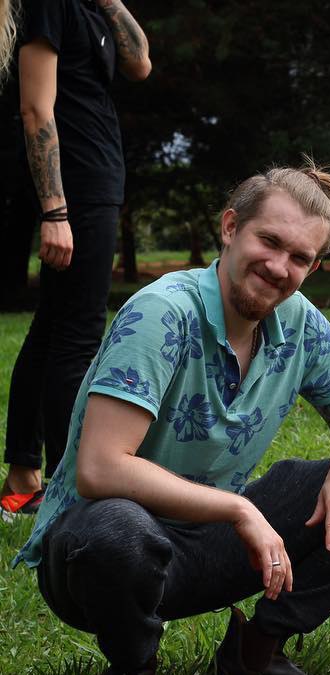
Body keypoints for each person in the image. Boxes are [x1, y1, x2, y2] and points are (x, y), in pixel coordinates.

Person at [12, 163, 330, 675]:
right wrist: (239, 508)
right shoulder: (162, 313)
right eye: (270, 241)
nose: (280, 268)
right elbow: (100, 468)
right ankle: (132, 668)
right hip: (97, 556)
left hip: (208, 547)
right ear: (231, 227)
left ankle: (254, 655)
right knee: (118, 527)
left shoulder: (300, 323)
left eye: (301, 258)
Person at [1, 0, 151, 519]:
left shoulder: (92, 10)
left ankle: (23, 476)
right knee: (78, 335)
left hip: (94, 184)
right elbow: (35, 107)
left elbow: (140, 62)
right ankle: (68, 488)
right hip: (75, 191)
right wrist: (55, 209)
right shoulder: (48, 4)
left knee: (51, 329)